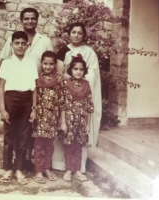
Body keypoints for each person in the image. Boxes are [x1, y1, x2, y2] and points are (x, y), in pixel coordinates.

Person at [0, 8, 53, 169]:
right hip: (14, 90)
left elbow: (50, 60)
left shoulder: (44, 40)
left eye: (33, 18)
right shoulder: (13, 38)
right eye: (26, 18)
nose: (30, 21)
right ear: (22, 20)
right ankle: (11, 164)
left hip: (36, 88)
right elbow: (3, 62)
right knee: (13, 130)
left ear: (37, 20)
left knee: (30, 128)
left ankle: (25, 160)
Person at [52, 22, 102, 173]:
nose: (76, 35)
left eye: (80, 33)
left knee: (79, 133)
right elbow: (61, 73)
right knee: (64, 128)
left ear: (84, 35)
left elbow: (92, 72)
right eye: (73, 32)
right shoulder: (63, 51)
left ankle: (79, 166)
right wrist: (71, 82)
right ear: (68, 33)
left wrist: (81, 81)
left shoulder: (89, 52)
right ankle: (61, 164)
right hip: (68, 93)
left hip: (82, 94)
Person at [0, 31, 38, 185]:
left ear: (27, 45)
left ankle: (19, 169)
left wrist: (34, 108)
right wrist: (2, 109)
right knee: (9, 135)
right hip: (11, 99)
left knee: (23, 135)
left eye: (23, 43)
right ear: (11, 45)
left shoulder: (30, 63)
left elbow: (34, 89)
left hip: (27, 99)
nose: (20, 46)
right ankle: (8, 168)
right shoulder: (7, 63)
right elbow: (1, 87)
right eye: (17, 43)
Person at [59, 54, 94, 181]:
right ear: (70, 70)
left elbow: (89, 106)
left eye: (81, 69)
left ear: (84, 71)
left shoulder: (86, 85)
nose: (78, 72)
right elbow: (62, 104)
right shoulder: (65, 84)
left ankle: (78, 170)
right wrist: (63, 122)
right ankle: (68, 170)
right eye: (75, 69)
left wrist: (88, 124)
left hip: (81, 121)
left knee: (78, 147)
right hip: (68, 121)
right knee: (68, 147)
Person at [32, 51, 61, 184]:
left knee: (50, 145)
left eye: (51, 64)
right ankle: (38, 170)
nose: (48, 66)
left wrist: (60, 117)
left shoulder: (59, 79)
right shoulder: (37, 79)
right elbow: (34, 97)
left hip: (52, 117)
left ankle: (47, 168)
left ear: (55, 65)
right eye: (45, 64)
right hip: (40, 116)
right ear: (41, 64)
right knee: (38, 145)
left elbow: (62, 99)